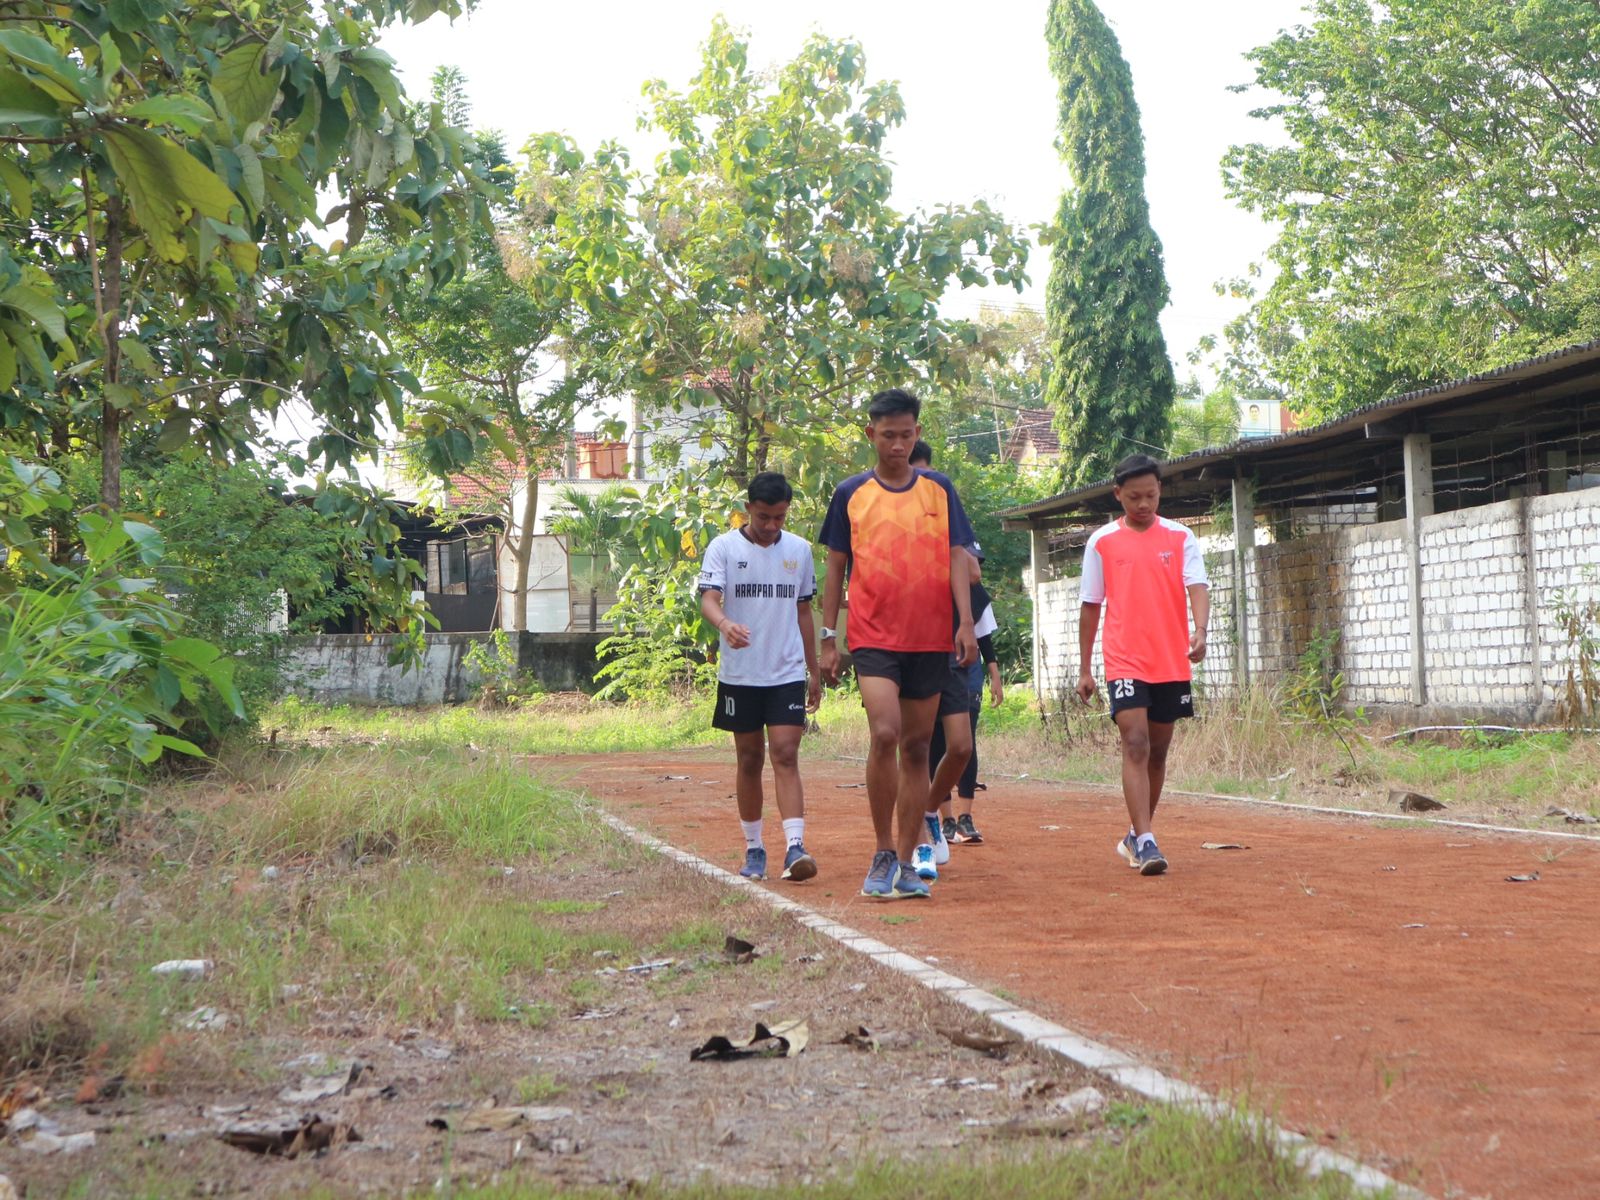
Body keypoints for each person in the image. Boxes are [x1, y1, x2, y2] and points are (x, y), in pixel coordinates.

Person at [819, 390, 977, 900]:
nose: (898, 445)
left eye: (907, 435)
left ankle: (907, 862)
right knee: (885, 732)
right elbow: (836, 569)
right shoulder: (851, 493)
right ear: (871, 435)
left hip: (930, 637)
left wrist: (966, 623)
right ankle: (882, 849)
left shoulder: (939, 489)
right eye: (889, 436)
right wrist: (828, 638)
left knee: (915, 747)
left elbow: (957, 558)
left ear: (916, 431)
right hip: (874, 636)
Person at [1075, 453, 1210, 876]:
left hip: (1170, 659)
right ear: (1118, 494)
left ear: (1159, 492)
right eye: (1134, 497)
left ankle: (1136, 834)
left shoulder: (1181, 536)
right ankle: (1148, 841)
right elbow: (1090, 606)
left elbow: (1198, 585)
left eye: (1150, 495)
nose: (1143, 504)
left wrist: (1201, 630)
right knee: (1135, 742)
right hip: (1124, 658)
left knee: (1158, 750)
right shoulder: (1102, 542)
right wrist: (1085, 667)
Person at [698, 472, 822, 883]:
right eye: (765, 517)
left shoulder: (800, 551)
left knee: (785, 754)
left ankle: (795, 847)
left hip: (785, 670)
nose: (772, 526)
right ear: (748, 508)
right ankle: (754, 849)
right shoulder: (723, 548)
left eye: (780, 518)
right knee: (749, 758)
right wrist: (725, 624)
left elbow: (804, 611)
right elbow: (709, 599)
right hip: (740, 674)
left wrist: (814, 668)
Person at [906, 441, 1002, 880]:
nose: (921, 482)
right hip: (906, 644)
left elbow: (974, 571)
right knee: (915, 746)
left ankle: (933, 812)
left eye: (926, 472)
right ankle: (911, 842)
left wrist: (966, 623)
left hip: (950, 645)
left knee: (961, 745)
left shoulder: (945, 506)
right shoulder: (883, 513)